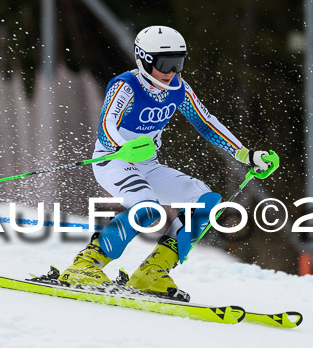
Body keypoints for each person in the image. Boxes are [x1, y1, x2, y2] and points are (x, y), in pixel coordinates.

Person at [56, 25, 271, 300]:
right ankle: (85, 265)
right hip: (114, 161)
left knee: (205, 199)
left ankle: (153, 272)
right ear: (144, 60)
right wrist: (122, 147)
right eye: (165, 64)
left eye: (178, 64)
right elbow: (105, 125)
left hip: (148, 164)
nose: (172, 72)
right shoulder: (126, 85)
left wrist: (245, 154)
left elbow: (206, 123)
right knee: (146, 208)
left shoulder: (178, 88)